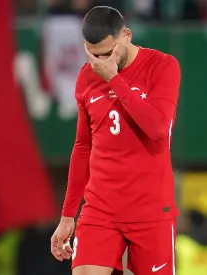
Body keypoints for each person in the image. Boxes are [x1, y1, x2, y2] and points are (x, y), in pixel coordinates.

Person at [50, 6, 181, 275]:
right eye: (92, 54)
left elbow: (158, 127)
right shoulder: (87, 76)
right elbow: (82, 146)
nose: (100, 62)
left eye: (108, 53)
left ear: (127, 36)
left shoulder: (162, 66)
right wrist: (67, 216)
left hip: (151, 209)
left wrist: (114, 80)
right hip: (101, 209)